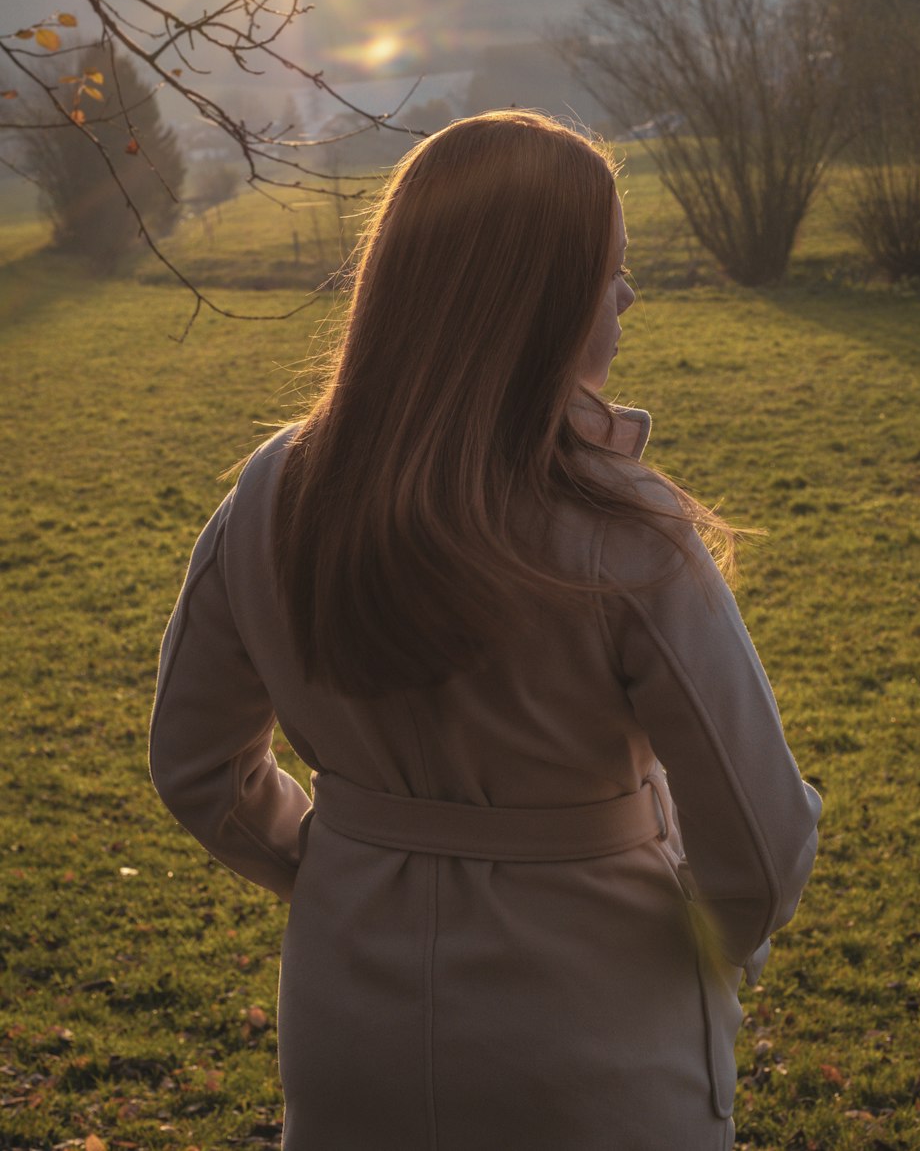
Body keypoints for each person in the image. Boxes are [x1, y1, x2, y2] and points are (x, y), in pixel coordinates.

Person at [149, 109, 821, 1151]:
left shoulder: (275, 492)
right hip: (594, 1041)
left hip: (349, 1031)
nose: (628, 297)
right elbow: (764, 843)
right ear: (539, 303)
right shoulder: (623, 532)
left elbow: (196, 767)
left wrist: (344, 861)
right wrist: (704, 945)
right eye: (609, 273)